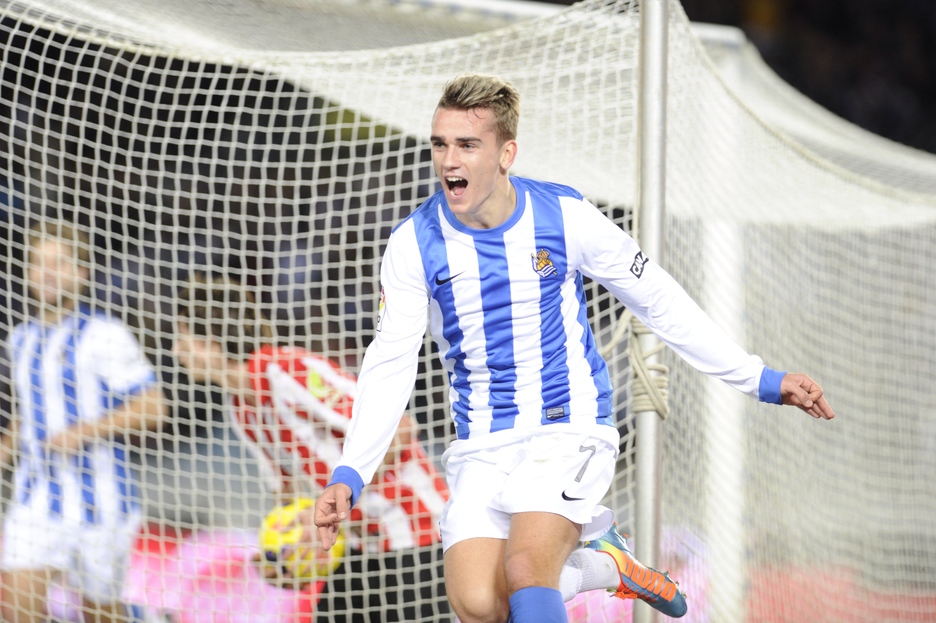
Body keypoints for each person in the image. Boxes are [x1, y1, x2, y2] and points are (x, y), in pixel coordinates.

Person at [312, 73, 836, 623]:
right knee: (477, 604)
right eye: (440, 144)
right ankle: (609, 566)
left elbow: (657, 299)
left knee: (526, 572)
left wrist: (759, 378)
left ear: (506, 152)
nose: (449, 160)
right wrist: (349, 473)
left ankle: (596, 559)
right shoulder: (412, 243)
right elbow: (390, 361)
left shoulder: (563, 216)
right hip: (482, 441)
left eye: (467, 144)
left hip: (567, 425)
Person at [172, 274, 451, 622]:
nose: (175, 350)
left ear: (211, 340)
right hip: (363, 543)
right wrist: (283, 553)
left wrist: (334, 504)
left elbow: (399, 429)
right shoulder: (240, 408)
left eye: (183, 338)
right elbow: (288, 495)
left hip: (415, 528)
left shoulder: (287, 370)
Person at [0, 220, 168, 623]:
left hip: (103, 504)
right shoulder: (20, 339)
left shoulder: (105, 334)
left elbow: (154, 407)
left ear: (81, 273)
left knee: (102, 615)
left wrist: (85, 432)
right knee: (16, 610)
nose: (47, 273)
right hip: (35, 499)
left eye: (59, 263)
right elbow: (32, 411)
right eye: (39, 263)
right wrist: (6, 449)